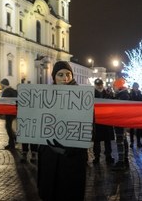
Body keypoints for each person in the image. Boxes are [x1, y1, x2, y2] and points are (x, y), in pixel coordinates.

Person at [37, 61, 88, 201]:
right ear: (54, 77)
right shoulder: (44, 96)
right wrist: (25, 110)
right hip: (49, 157)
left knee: (68, 194)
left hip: (71, 159)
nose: (65, 78)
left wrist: (69, 149)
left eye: (68, 74)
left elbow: (89, 131)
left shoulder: (83, 98)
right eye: (60, 75)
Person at [92, 78, 115, 165]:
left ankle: (108, 156)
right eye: (97, 85)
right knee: (96, 141)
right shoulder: (92, 93)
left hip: (106, 120)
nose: (99, 86)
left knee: (107, 140)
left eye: (100, 84)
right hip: (96, 120)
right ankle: (96, 157)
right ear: (95, 85)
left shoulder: (108, 93)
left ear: (102, 84)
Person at [111, 77, 131, 171]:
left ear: (118, 87)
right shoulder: (124, 94)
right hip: (122, 121)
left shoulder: (122, 96)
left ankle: (121, 161)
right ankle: (125, 159)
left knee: (120, 141)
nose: (113, 88)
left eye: (114, 86)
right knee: (123, 140)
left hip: (120, 121)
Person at [0, 78, 18, 150]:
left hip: (9, 112)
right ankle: (11, 143)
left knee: (8, 127)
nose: (0, 86)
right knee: (9, 127)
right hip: (13, 111)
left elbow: (3, 101)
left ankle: (14, 140)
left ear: (4, 85)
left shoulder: (6, 91)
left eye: (1, 85)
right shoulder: (13, 90)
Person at [129, 82, 142, 148]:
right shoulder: (130, 94)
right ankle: (132, 142)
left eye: (137, 87)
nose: (136, 88)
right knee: (132, 129)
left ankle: (138, 142)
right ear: (133, 87)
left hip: (139, 113)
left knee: (139, 129)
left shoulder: (140, 94)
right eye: (135, 87)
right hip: (132, 113)